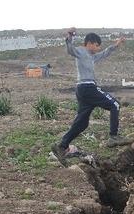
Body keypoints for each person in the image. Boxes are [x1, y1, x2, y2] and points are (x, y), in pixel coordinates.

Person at [52, 29, 128, 162]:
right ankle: (113, 136)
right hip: (87, 87)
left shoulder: (92, 56)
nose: (99, 48)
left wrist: (116, 45)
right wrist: (70, 36)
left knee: (82, 123)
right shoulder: (81, 51)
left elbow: (105, 53)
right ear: (90, 43)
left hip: (83, 91)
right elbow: (70, 49)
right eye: (97, 45)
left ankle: (62, 146)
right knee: (115, 104)